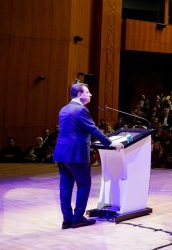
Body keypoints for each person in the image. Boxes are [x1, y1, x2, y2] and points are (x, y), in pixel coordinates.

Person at [52, 82, 122, 230]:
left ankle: (67, 220)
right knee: (84, 185)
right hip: (77, 154)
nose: (90, 94)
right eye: (87, 92)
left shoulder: (63, 109)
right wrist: (110, 143)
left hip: (62, 153)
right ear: (80, 94)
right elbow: (93, 129)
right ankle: (77, 219)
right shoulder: (81, 110)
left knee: (65, 187)